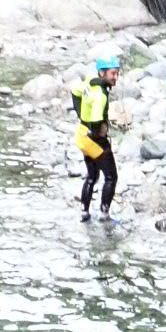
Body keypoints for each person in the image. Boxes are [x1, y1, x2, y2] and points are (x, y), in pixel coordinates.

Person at [69, 54, 121, 221]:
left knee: (92, 176)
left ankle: (85, 211)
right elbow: (97, 118)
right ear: (102, 73)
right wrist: (102, 133)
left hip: (82, 136)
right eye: (113, 74)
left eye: (117, 73)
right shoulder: (101, 94)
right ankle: (104, 214)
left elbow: (74, 91)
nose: (116, 78)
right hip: (93, 138)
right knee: (111, 177)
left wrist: (80, 114)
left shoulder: (90, 82)